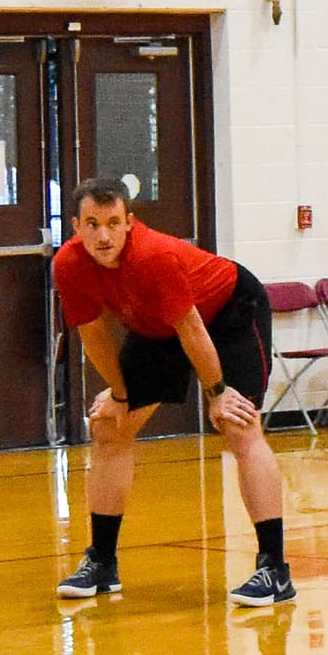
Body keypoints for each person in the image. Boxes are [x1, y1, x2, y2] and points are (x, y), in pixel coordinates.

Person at [49, 183, 293, 608]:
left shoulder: (153, 257)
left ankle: (275, 569)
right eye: (92, 225)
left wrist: (216, 392)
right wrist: (122, 396)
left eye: (112, 224)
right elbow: (94, 337)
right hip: (158, 327)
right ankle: (102, 562)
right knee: (109, 427)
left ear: (129, 223)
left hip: (228, 312)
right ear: (76, 227)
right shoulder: (68, 265)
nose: (103, 236)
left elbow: (193, 331)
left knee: (238, 425)